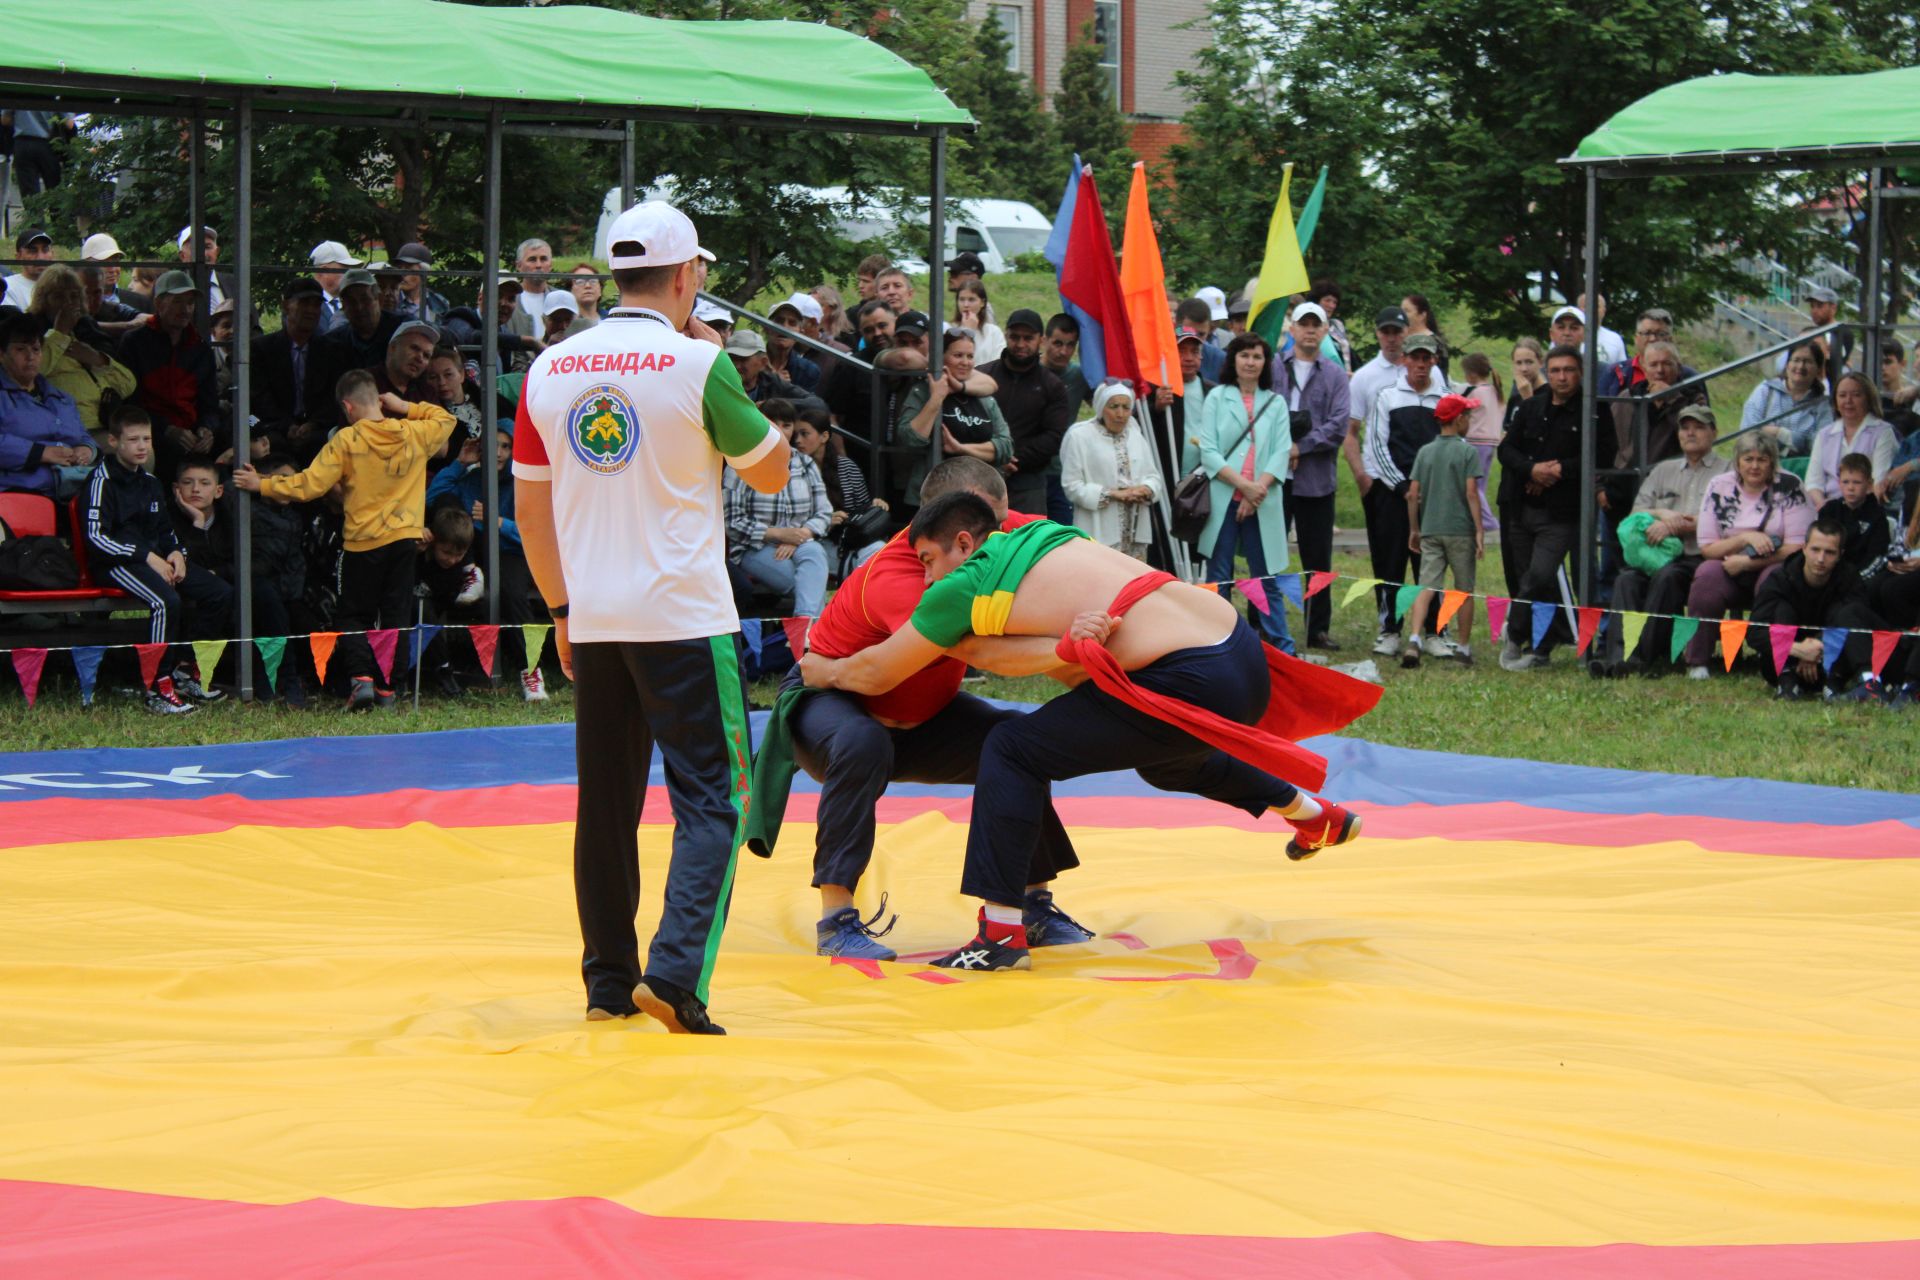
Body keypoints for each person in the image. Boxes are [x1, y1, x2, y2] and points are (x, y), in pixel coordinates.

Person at [798, 490, 1375, 970]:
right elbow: (1069, 659)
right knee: (1167, 755)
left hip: (1182, 674)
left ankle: (1000, 933)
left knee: (1013, 747)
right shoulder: (1048, 536)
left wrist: (817, 669)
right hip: (1239, 651)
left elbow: (882, 671)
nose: (924, 574)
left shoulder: (959, 584)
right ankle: (1311, 813)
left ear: (969, 541)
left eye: (928, 559)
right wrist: (1068, 646)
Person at [511, 200, 793, 1036]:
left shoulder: (549, 369)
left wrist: (561, 610)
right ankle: (674, 976)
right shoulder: (696, 365)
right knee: (715, 798)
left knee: (605, 804)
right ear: (687, 276)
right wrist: (724, 370)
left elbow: (532, 514)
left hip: (596, 614)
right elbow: (772, 473)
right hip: (683, 616)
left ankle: (607, 980)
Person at [748, 457, 1089, 961]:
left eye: (1001, 520)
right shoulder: (900, 575)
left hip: (921, 716)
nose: (1000, 537)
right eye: (988, 524)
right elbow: (969, 654)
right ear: (952, 526)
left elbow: (1070, 549)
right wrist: (1066, 650)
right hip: (835, 699)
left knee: (1017, 741)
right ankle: (835, 917)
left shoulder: (990, 528)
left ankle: (1032, 904)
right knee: (863, 742)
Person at [232, 372, 456, 709]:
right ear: (379, 400)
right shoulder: (414, 432)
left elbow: (308, 486)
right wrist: (405, 406)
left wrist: (261, 484)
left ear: (348, 406)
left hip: (362, 544)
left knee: (353, 615)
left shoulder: (346, 441)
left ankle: (361, 678)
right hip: (404, 540)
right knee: (396, 617)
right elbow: (446, 419)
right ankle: (388, 691)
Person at [83, 407, 230, 713]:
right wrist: (147, 556)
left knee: (219, 592)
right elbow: (96, 539)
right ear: (113, 441)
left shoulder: (150, 481)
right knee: (165, 602)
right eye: (133, 439)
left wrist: (176, 552)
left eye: (146, 439)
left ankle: (186, 670)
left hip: (154, 560)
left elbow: (165, 530)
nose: (141, 446)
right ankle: (156, 687)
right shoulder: (101, 481)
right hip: (114, 564)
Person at [1594, 405, 1729, 677]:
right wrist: (1660, 514)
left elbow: (1729, 520)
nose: (1690, 433)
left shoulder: (1727, 473)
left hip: (1700, 557)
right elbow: (1636, 513)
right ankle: (1619, 656)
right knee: (1627, 580)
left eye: (1699, 427)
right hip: (1656, 553)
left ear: (1714, 432)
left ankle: (1645, 657)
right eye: (1685, 427)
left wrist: (1680, 525)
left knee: (1668, 577)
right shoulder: (1662, 470)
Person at [426, 416, 544, 700]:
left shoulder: (523, 483)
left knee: (512, 594)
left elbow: (537, 532)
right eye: (494, 445)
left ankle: (531, 670)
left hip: (510, 551)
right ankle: (442, 668)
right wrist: (460, 463)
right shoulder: (471, 480)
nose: (499, 452)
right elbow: (434, 498)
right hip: (472, 553)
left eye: (506, 446)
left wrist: (499, 522)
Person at [1680, 430, 1813, 679]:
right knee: (1706, 574)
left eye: (1762, 460)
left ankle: (1772, 655)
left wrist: (1749, 563)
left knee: (1773, 579)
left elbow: (1798, 546)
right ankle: (1697, 661)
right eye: (1748, 459)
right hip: (1728, 564)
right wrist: (1744, 539)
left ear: (1772, 462)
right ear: (1737, 462)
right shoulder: (1719, 486)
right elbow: (1707, 547)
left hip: (1775, 562)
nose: (1754, 466)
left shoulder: (1790, 486)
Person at [1497, 345, 1590, 671]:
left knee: (1537, 576)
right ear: (1546, 373)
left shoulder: (1590, 411)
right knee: (1534, 580)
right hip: (1522, 508)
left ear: (1580, 373)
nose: (1562, 377)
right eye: (1556, 371)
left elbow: (1600, 456)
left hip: (1560, 513)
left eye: (1569, 370)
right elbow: (1506, 451)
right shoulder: (1531, 406)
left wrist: (1559, 471)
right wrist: (1532, 469)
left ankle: (1514, 635)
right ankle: (1542, 649)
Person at [1200, 332, 1294, 652]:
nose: (1250, 362)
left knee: (1266, 576)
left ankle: (1282, 646)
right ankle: (1219, 642)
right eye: (1244, 356)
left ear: (1265, 363)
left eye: (1257, 357)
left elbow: (1281, 452)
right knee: (1220, 574)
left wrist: (1257, 492)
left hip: (1263, 500)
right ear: (1233, 360)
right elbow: (1209, 451)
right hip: (1224, 495)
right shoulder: (1216, 397)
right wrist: (1243, 486)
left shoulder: (1276, 402)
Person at [1360, 330, 1449, 657]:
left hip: (1433, 496)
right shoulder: (1387, 396)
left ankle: (1436, 630)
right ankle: (1390, 629)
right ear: (1404, 360)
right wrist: (1402, 486)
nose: (1421, 365)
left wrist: (1434, 488)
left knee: (1432, 563)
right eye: (1416, 358)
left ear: (1434, 361)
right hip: (1393, 494)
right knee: (1391, 562)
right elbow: (1377, 448)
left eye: (1428, 358)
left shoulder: (1444, 399)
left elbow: (1452, 443)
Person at [1272, 302, 1349, 648]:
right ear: (1292, 330)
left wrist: (1301, 447)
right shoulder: (1274, 368)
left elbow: (1339, 424)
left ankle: (1317, 628)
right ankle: (1265, 622)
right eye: (1303, 324)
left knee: (1317, 557)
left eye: (1315, 325)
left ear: (1325, 330)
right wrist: (1280, 448)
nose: (1309, 330)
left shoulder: (1334, 374)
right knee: (1270, 554)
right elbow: (1261, 411)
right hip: (1273, 478)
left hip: (1316, 480)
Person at [724, 398, 832, 616]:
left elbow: (824, 511)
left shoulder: (805, 463)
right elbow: (731, 521)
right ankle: (811, 634)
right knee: (808, 583)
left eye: (787, 424)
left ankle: (805, 633)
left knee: (815, 553)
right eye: (772, 422)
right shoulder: (740, 463)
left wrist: (800, 535)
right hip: (754, 546)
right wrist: (777, 534)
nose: (780, 430)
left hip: (801, 542)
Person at [1400, 393, 1485, 666]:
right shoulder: (1467, 451)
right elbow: (1472, 492)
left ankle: (1414, 639)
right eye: (1468, 416)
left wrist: (1415, 528)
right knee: (1463, 589)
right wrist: (1480, 529)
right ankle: (1463, 648)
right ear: (1459, 420)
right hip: (1460, 530)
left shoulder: (1425, 452)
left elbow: (1413, 494)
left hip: (1431, 529)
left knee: (1426, 585)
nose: (1470, 420)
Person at [117, 270, 224, 474]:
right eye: (177, 301)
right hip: (149, 434)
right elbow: (130, 402)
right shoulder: (135, 343)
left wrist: (207, 429)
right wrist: (166, 429)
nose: (185, 309)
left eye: (190, 302)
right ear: (158, 304)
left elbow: (210, 404)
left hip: (192, 433)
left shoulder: (201, 349)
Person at [1749, 518, 1862, 699]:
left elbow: (1858, 628)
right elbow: (1754, 633)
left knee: (1844, 613)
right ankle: (1786, 682)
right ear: (1804, 548)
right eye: (1815, 549)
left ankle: (1833, 685)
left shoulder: (1850, 579)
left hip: (1831, 662)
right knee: (1783, 609)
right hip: (1781, 662)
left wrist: (1816, 648)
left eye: (1829, 552)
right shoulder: (1779, 578)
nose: (1820, 559)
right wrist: (1795, 649)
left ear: (1841, 554)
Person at [896, 328, 1011, 505]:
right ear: (941, 357)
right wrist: (936, 400)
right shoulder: (923, 391)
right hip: (934, 498)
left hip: (982, 496)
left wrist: (960, 448)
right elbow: (910, 438)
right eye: (958, 355)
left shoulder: (983, 397)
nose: (965, 362)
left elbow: (1005, 447)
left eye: (970, 356)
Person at [25, 263, 136, 439]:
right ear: (44, 299)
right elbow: (29, 374)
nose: (68, 303)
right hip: (60, 425)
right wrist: (59, 334)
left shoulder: (88, 329)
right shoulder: (29, 329)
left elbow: (128, 384)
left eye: (74, 296)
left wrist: (97, 358)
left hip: (104, 420)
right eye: (59, 296)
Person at [978, 307, 1069, 517]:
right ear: (1006, 336)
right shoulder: (982, 376)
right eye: (1015, 337)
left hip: (1028, 485)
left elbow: (1054, 436)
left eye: (1028, 338)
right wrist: (994, 457)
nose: (1020, 344)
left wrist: (1013, 459)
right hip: (980, 479)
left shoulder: (1052, 385)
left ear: (1041, 340)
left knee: (1027, 546)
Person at [1060, 381, 1163, 561]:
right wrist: (1112, 494)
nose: (1120, 414)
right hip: (1098, 526)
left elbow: (1153, 476)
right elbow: (1072, 486)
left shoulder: (1134, 435)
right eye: (1114, 406)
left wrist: (1146, 489)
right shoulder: (1079, 436)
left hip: (1134, 530)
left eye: (1126, 407)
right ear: (1101, 408)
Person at [0, 309, 97, 496]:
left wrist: (87, 449)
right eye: (20, 349)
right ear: (2, 354)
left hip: (73, 487)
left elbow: (83, 435)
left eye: (36, 349)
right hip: (20, 492)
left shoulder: (61, 398)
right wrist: (40, 452)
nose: (30, 356)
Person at [790, 407, 885, 573]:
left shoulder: (847, 467)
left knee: (878, 550)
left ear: (824, 436)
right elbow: (789, 519)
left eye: (804, 434)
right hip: (812, 541)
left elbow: (862, 508)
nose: (797, 440)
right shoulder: (792, 470)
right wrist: (824, 522)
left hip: (848, 536)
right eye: (795, 435)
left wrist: (874, 507)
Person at [305, 268, 402, 429]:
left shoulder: (401, 331)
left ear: (378, 298)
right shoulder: (331, 342)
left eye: (365, 299)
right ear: (343, 306)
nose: (359, 307)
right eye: (351, 301)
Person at [250, 276, 325, 455]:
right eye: (304, 303)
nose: (311, 311)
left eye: (316, 305)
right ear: (286, 306)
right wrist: (286, 425)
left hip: (318, 429)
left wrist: (313, 424)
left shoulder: (331, 349)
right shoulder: (262, 349)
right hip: (273, 427)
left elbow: (333, 397)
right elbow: (259, 397)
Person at [1804, 372, 1897, 506]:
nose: (1848, 401)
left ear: (1868, 399)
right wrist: (1825, 507)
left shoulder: (1883, 432)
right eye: (1842, 395)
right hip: (1827, 508)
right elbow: (1813, 482)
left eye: (1856, 395)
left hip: (1865, 507)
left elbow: (1879, 481)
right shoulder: (1824, 434)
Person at [1741, 343, 1827, 457]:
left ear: (1818, 369)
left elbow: (1821, 445)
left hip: (1801, 470)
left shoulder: (1823, 404)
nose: (1801, 366)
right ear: (1787, 364)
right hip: (1760, 464)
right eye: (1796, 360)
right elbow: (1748, 432)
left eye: (1808, 361)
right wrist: (1791, 447)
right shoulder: (1766, 391)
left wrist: (1780, 433)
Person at [1817, 453, 1890, 572]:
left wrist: (1855, 581)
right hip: (1830, 571)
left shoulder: (1877, 514)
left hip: (1862, 575)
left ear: (1869, 484)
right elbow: (1821, 546)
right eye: (1845, 482)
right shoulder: (1829, 510)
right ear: (1839, 482)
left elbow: (1877, 555)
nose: (1850, 488)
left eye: (1857, 482)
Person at [1457, 352, 1503, 534]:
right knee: (1480, 484)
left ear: (1471, 375)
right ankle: (1478, 519)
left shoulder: (1474, 393)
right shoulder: (1495, 391)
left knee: (1474, 485)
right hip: (1491, 443)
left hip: (1476, 441)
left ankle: (1488, 522)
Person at [4, 110, 67, 197]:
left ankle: (34, 209)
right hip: (49, 143)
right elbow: (69, 123)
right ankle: (55, 209)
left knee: (30, 194)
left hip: (23, 142)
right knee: (54, 191)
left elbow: (5, 119)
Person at [764, 296, 821, 392]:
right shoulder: (750, 360)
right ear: (766, 328)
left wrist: (784, 387)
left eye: (792, 323)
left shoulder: (808, 371)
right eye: (779, 321)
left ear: (800, 332)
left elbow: (808, 404)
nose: (784, 327)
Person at [308, 240, 364, 334]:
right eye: (344, 270)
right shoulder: (307, 306)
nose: (349, 275)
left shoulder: (353, 302)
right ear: (324, 271)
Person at [391, 243, 448, 325]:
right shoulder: (391, 301)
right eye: (399, 268)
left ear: (424, 272)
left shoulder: (440, 302)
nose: (402, 273)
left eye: (408, 268)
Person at [952, 278, 1004, 364]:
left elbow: (999, 363)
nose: (966, 305)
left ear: (982, 303)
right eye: (961, 299)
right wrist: (967, 331)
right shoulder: (950, 329)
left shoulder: (994, 332)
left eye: (971, 299)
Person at [1174, 297, 1227, 382]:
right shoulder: (1162, 358)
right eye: (1189, 332)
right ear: (1177, 328)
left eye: (1201, 334)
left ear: (1210, 330)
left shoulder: (1220, 360)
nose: (1195, 338)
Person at [2, 228, 53, 310]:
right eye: (33, 251)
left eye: (45, 250)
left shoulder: (62, 286)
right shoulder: (7, 287)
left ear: (52, 254)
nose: (40, 257)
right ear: (18, 257)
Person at [1400, 293, 1449, 377]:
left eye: (1407, 311)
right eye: (1401, 311)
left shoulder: (1435, 342)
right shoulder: (1401, 340)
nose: (1402, 315)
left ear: (1422, 315)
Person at [1575, 291, 1628, 367]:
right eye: (1586, 305)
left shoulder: (1615, 339)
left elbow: (1622, 370)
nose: (1591, 309)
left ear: (1604, 311)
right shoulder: (1568, 337)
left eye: (1596, 306)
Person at [1311, 280, 1351, 369]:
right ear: (1317, 301)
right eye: (1327, 300)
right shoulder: (1309, 327)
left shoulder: (1337, 325)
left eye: (1334, 302)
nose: (1331, 306)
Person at [514, 238, 555, 319]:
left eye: (543, 259)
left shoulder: (559, 299)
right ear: (519, 265)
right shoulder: (510, 299)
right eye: (532, 260)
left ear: (550, 265)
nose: (538, 265)